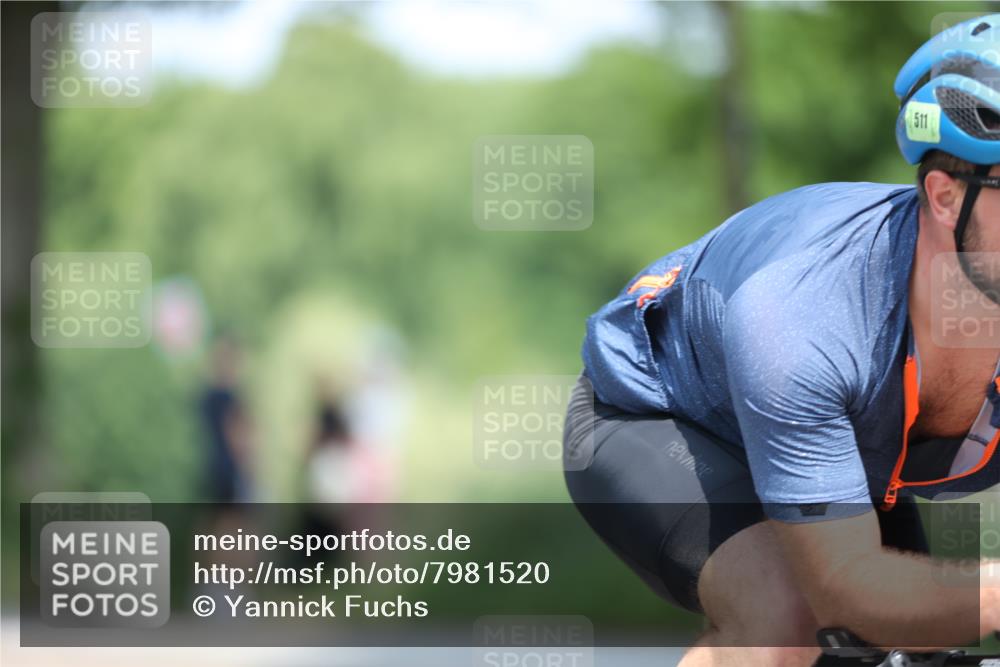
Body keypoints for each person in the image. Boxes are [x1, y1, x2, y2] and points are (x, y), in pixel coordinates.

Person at [564, 15, 1000, 667]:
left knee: (918, 641)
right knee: (790, 625)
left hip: (848, 443)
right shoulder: (803, 314)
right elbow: (849, 593)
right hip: (665, 415)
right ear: (945, 197)